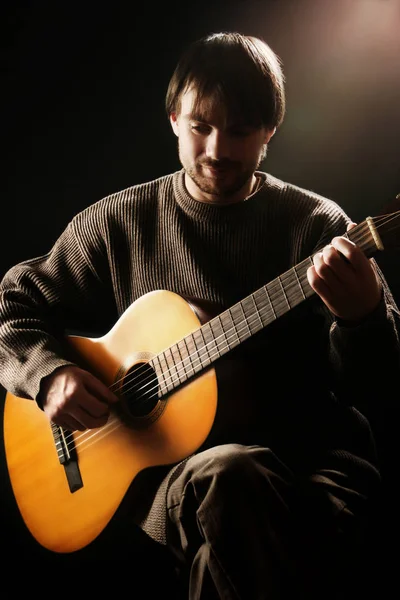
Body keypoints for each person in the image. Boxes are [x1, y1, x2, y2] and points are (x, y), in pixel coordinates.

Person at [0, 31, 399, 598]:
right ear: (172, 120)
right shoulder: (120, 223)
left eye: (240, 131)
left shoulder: (318, 228)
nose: (217, 149)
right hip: (172, 476)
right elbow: (12, 307)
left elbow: (387, 386)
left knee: (233, 500)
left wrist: (363, 319)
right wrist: (48, 376)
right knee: (229, 475)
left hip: (309, 464)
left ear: (270, 132)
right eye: (200, 127)